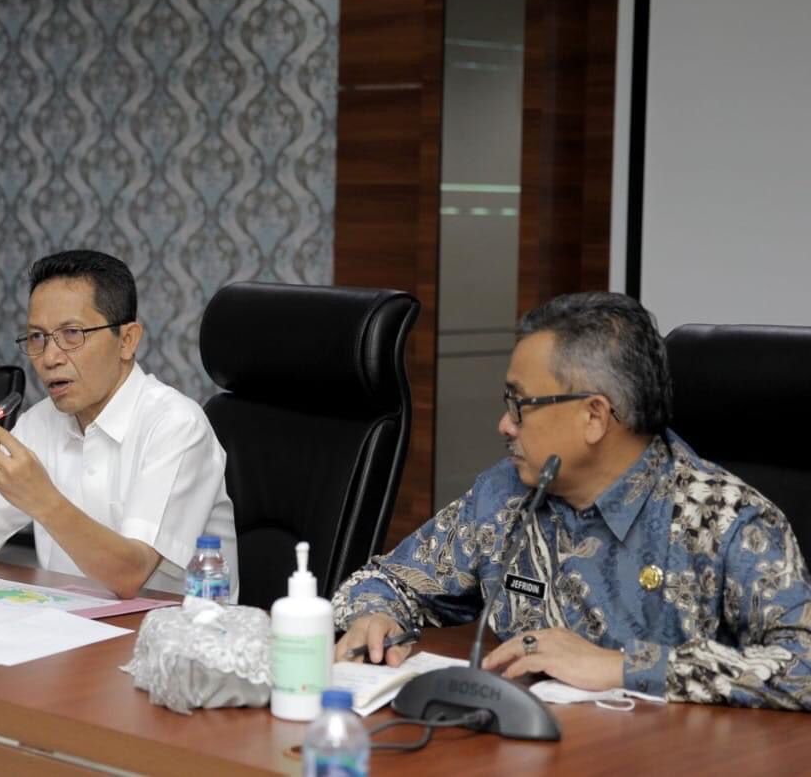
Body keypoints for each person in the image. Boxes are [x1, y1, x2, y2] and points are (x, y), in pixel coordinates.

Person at [333, 292, 811, 710]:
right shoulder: (505, 495)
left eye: (521, 405)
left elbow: (803, 666)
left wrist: (621, 667)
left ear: (594, 416)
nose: (505, 424)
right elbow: (387, 579)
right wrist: (374, 615)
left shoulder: (726, 520)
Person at [0, 249, 238, 600]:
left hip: (173, 639)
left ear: (127, 340)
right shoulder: (40, 423)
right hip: (70, 630)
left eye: (72, 334)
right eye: (37, 337)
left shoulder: (176, 426)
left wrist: (42, 499)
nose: (49, 357)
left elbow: (131, 574)